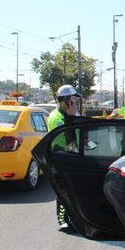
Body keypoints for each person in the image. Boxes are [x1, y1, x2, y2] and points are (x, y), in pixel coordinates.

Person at [47, 85, 81, 230]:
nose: (75, 103)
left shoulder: (68, 115)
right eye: (73, 100)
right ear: (66, 100)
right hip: (60, 158)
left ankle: (72, 218)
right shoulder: (57, 118)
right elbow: (67, 140)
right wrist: (72, 115)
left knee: (70, 191)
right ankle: (63, 221)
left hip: (70, 157)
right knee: (62, 191)